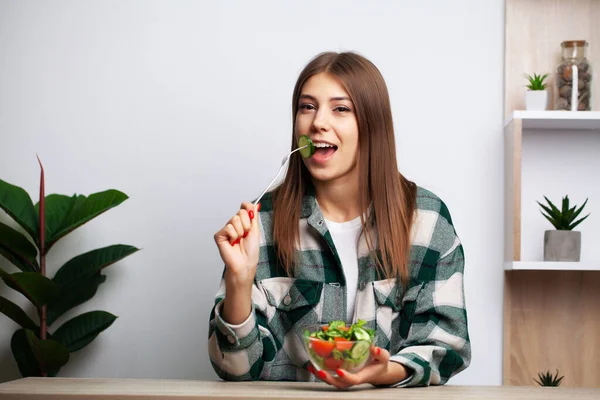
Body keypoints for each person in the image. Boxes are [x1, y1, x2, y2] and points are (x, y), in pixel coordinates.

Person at [208, 51, 470, 389]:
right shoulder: (263, 221)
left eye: (340, 109)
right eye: (307, 107)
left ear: (372, 124)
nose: (318, 122)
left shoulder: (427, 220)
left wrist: (386, 372)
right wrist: (239, 282)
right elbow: (234, 369)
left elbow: (448, 346)